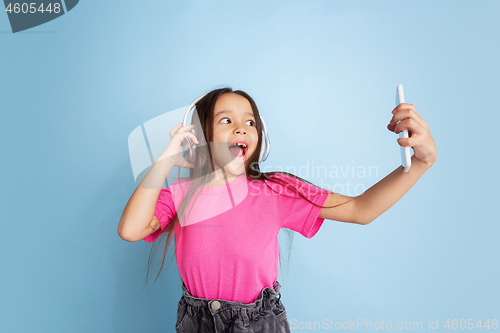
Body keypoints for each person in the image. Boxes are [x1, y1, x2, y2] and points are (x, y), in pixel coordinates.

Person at [117, 87, 437, 332]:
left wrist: (421, 163)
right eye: (226, 120)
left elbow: (360, 209)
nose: (241, 128)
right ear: (199, 135)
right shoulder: (180, 196)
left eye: (250, 122)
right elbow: (130, 230)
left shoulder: (276, 190)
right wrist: (165, 161)